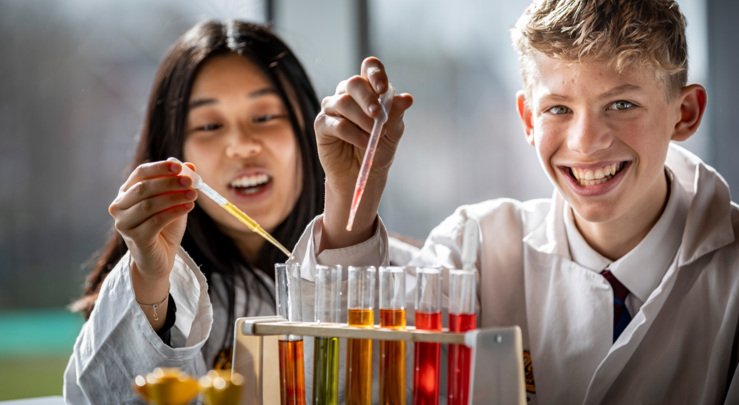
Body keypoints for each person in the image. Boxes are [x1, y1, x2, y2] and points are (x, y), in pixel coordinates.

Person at [293, 0, 739, 403]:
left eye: (621, 104)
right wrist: (350, 198)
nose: (585, 143)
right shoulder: (477, 249)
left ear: (685, 113)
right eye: (558, 109)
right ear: (528, 118)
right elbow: (346, 382)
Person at [63, 20, 328, 403]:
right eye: (209, 125)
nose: (241, 145)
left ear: (308, 129)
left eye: (265, 117)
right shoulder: (162, 294)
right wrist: (151, 275)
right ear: (174, 152)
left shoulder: (382, 267)